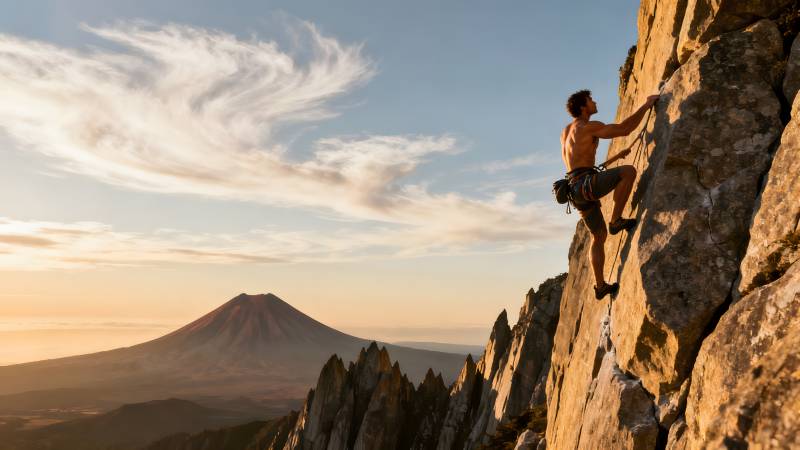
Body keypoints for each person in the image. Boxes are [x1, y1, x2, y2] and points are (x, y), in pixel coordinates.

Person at [560, 90, 659, 299]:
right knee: (628, 172)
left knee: (598, 236)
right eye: (590, 100)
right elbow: (624, 129)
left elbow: (580, 165)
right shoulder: (588, 127)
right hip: (586, 184)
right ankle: (616, 220)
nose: (595, 102)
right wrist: (647, 104)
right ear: (583, 107)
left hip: (575, 190)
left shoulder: (566, 132)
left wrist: (616, 156)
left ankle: (601, 286)